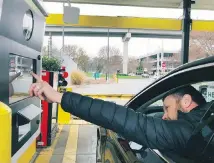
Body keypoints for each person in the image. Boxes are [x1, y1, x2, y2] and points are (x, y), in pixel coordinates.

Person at [29, 72, 210, 161]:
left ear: (186, 101)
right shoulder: (204, 122)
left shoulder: (188, 131)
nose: (164, 116)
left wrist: (59, 97)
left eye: (167, 108)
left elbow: (120, 117)